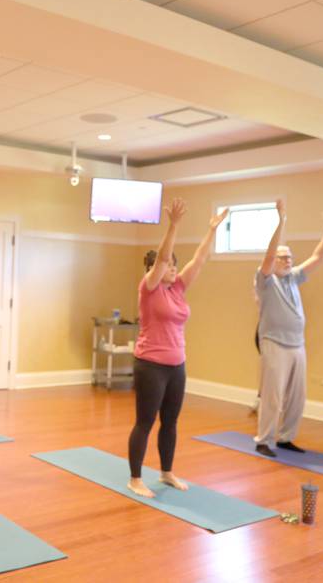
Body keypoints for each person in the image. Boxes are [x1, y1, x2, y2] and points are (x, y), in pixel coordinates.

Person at [128, 199, 228, 498]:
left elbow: (199, 260)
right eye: (168, 265)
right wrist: (173, 225)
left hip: (177, 366)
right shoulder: (148, 289)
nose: (172, 268)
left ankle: (166, 471)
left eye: (174, 265)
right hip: (150, 365)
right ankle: (135, 478)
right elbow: (161, 259)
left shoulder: (178, 289)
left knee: (170, 422)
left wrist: (211, 231)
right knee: (146, 422)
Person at [254, 199, 323, 457]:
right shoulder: (265, 281)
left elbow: (319, 256)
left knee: (297, 397)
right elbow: (268, 257)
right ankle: (263, 439)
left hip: (297, 344)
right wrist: (282, 222)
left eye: (290, 257)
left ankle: (285, 438)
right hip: (274, 342)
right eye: (283, 257)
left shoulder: (294, 278)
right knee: (273, 396)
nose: (288, 260)